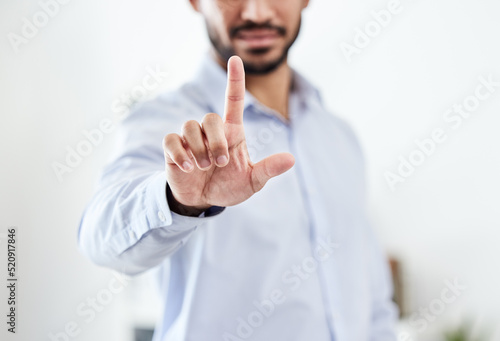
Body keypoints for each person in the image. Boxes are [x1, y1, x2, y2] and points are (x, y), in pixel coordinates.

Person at [78, 0, 398, 340]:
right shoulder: (162, 123)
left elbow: (372, 298)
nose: (256, 13)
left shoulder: (338, 136)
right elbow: (99, 240)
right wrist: (179, 201)